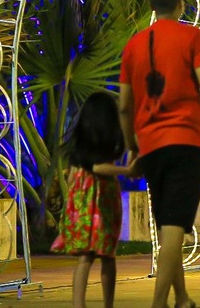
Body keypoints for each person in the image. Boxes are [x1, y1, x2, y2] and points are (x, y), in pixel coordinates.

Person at [119, 0, 200, 308]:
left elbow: (125, 104)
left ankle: (181, 298)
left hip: (150, 142)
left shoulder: (134, 45)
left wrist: (132, 147)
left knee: (169, 222)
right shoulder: (192, 36)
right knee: (175, 224)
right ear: (181, 4)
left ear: (152, 6)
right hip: (186, 141)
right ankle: (158, 303)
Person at [51, 90, 136, 308]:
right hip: (101, 208)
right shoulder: (97, 156)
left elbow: (70, 180)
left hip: (83, 212)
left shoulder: (78, 154)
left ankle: (79, 304)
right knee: (107, 257)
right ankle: (107, 304)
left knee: (85, 259)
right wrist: (127, 170)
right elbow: (100, 167)